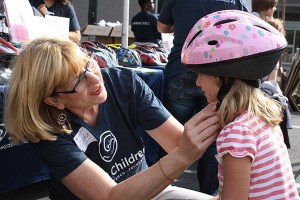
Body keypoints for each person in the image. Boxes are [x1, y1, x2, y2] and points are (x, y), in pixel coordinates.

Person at [4, 37, 220, 199]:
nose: (94, 78)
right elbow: (110, 196)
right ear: (53, 101)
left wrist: (223, 113)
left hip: (149, 191)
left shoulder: (122, 82)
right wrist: (183, 155)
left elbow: (177, 142)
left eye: (87, 63)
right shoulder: (49, 131)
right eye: (77, 80)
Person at [182, 10, 299, 199]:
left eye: (201, 74)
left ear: (223, 78)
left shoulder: (237, 132)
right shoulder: (263, 117)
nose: (197, 83)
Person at [157, 0, 248, 195]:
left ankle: (160, 188)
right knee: (214, 135)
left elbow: (161, 26)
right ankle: (209, 191)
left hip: (182, 67)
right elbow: (245, 25)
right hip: (218, 74)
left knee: (168, 131)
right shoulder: (234, 1)